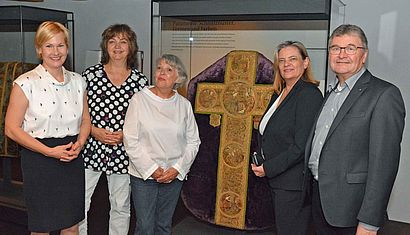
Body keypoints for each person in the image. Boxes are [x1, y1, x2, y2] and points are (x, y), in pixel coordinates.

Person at [304, 24, 405, 235]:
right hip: (319, 203)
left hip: (351, 212)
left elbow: (384, 167)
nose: (341, 54)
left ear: (364, 55)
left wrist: (369, 222)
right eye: (335, 48)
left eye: (350, 48)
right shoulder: (331, 93)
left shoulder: (383, 95)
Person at [5, 21, 91, 234]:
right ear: (39, 49)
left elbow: (86, 120)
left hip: (72, 158)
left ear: (67, 48)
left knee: (72, 226)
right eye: (49, 46)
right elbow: (11, 128)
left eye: (60, 45)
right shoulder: (25, 83)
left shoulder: (79, 81)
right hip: (39, 160)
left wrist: (80, 143)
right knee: (42, 227)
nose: (55, 52)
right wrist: (49, 151)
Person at [78, 24, 147, 235]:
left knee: (120, 206)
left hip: (123, 152)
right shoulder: (89, 76)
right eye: (112, 41)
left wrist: (125, 136)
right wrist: (93, 130)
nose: (117, 46)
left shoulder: (140, 82)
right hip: (90, 148)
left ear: (131, 47)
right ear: (105, 46)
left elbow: (144, 121)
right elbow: (79, 112)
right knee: (81, 203)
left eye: (123, 41)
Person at [123, 54, 201, 235]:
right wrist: (151, 169)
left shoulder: (184, 105)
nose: (162, 73)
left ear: (178, 77)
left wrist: (177, 168)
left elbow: (193, 141)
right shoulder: (139, 99)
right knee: (145, 226)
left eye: (168, 70)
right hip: (144, 176)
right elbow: (130, 139)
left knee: (164, 226)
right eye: (159, 68)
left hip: (173, 175)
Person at [251, 41, 323, 235]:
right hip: (278, 180)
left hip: (292, 185)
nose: (286, 64)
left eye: (293, 59)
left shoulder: (308, 94)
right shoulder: (280, 93)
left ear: (305, 63)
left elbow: (301, 146)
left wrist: (268, 168)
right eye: (281, 60)